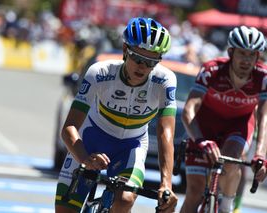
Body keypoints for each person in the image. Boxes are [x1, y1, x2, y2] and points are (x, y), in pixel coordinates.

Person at [54, 17, 178, 213]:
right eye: (137, 58)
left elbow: (166, 133)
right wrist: (85, 158)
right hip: (91, 139)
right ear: (125, 50)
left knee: (126, 199)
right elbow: (69, 127)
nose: (142, 66)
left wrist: (166, 184)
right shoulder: (99, 72)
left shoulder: (165, 81)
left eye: (150, 62)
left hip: (131, 146)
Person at [180, 25, 267, 213]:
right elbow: (189, 109)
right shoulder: (212, 70)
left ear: (257, 57)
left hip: (238, 126)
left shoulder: (263, 77)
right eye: (242, 53)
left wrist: (260, 154)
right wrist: (201, 140)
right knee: (194, 193)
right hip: (204, 128)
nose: (246, 60)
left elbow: (263, 116)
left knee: (232, 159)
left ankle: (227, 207)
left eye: (252, 55)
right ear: (230, 52)